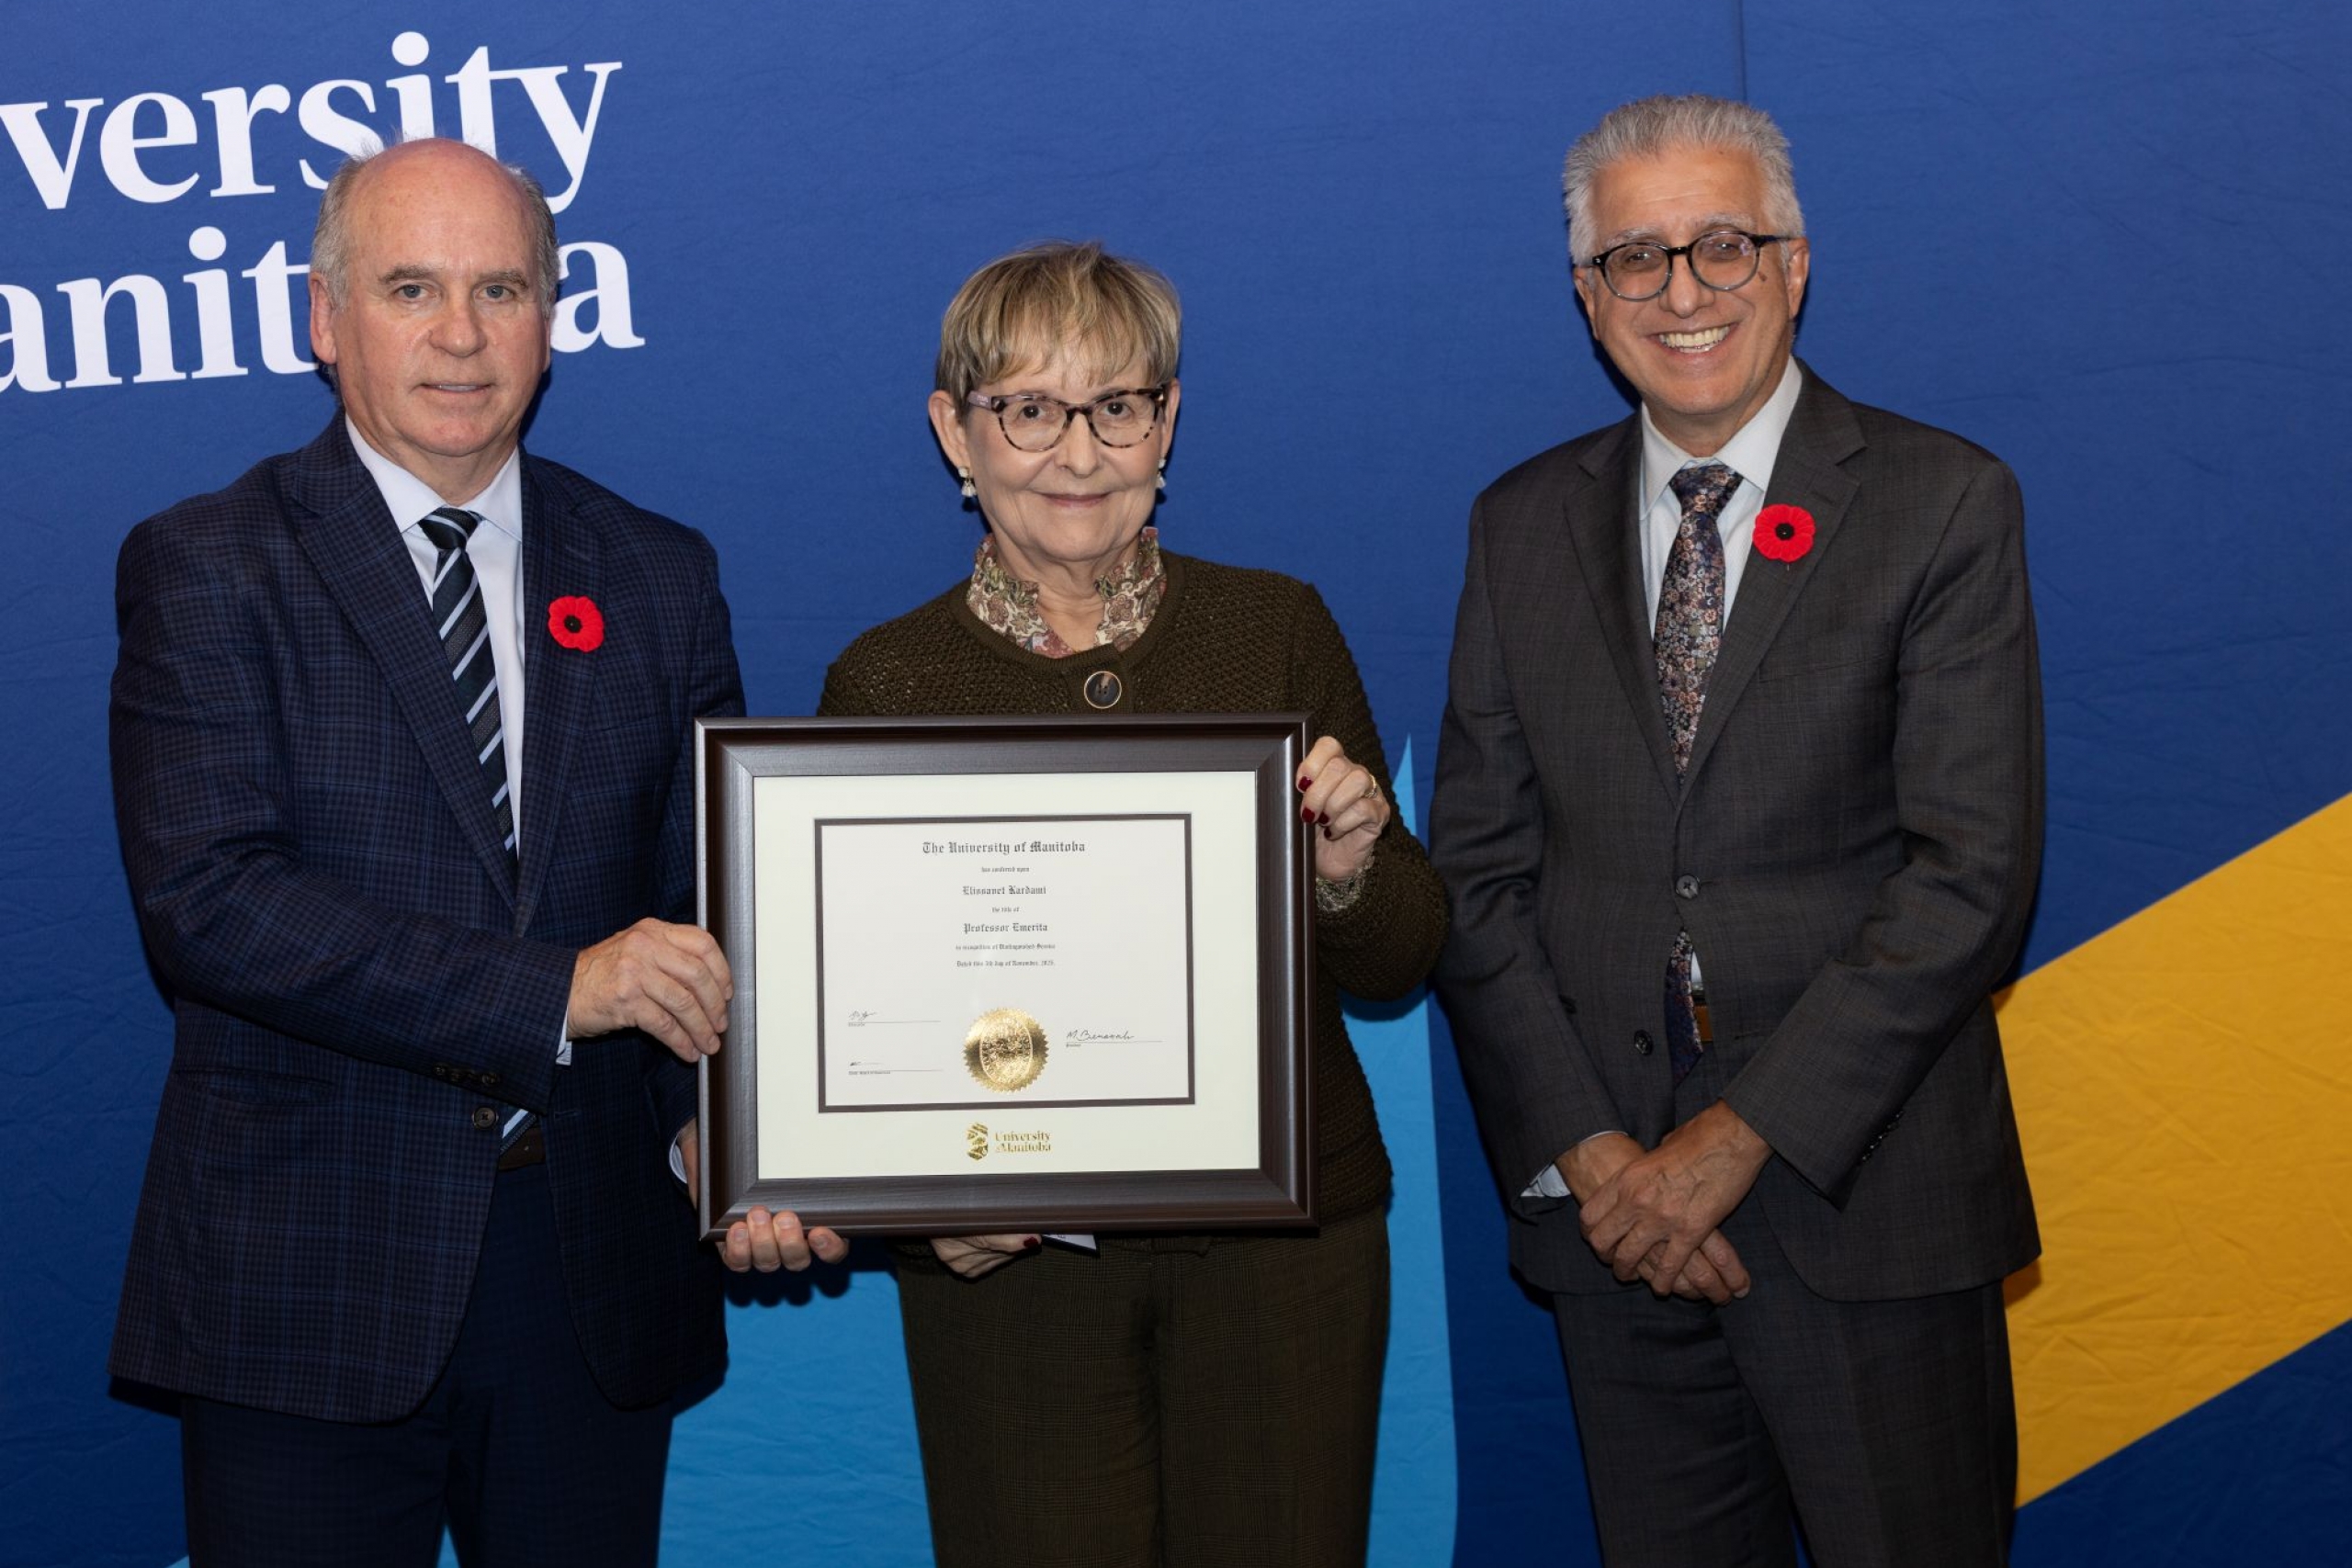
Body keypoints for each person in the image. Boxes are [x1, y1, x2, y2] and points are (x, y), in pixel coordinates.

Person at [107, 137, 843, 1567]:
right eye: (411, 288)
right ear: (325, 321)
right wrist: (555, 992)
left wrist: (739, 1131)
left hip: (592, 1276)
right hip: (310, 1281)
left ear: (552, 318)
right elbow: (212, 903)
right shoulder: (210, 564)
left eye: (501, 288)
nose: (461, 335)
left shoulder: (655, 570)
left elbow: (711, 905)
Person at [732, 241, 1448, 1567]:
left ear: (1167, 422)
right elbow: (854, 1033)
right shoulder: (884, 682)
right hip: (1013, 1269)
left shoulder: (1276, 628)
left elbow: (1402, 953)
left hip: (1285, 1256)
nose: (1077, 452)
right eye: (1029, 409)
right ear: (956, 431)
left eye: (1117, 406)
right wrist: (922, 1215)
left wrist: (1349, 869)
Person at [1429, 95, 2042, 1567]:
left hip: (1865, 1207)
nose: (1684, 291)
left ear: (1797, 264)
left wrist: (1734, 1141)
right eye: (1637, 259)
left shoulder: (1940, 501)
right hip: (1616, 1231)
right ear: (1587, 297)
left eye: (1724, 245)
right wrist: (1596, 1157)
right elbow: (1475, 873)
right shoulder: (1519, 525)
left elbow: (1970, 880)